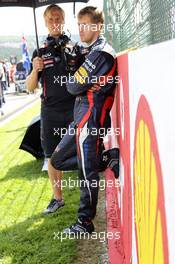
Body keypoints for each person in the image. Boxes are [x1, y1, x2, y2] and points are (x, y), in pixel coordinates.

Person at [50, 6, 119, 234]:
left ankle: (85, 222)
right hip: (79, 119)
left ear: (97, 27)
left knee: (86, 173)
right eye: (78, 25)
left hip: (91, 120)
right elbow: (74, 76)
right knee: (57, 160)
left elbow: (72, 86)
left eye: (86, 25)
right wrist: (73, 65)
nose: (81, 30)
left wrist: (75, 70)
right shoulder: (85, 49)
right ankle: (107, 158)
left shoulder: (102, 53)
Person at [26, 4, 75, 214]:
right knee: (52, 156)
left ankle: (87, 195)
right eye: (51, 19)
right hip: (50, 110)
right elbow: (30, 87)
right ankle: (58, 198)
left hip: (75, 107)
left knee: (82, 151)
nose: (55, 23)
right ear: (45, 23)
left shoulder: (74, 46)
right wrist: (35, 70)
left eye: (58, 19)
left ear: (63, 21)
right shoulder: (39, 51)